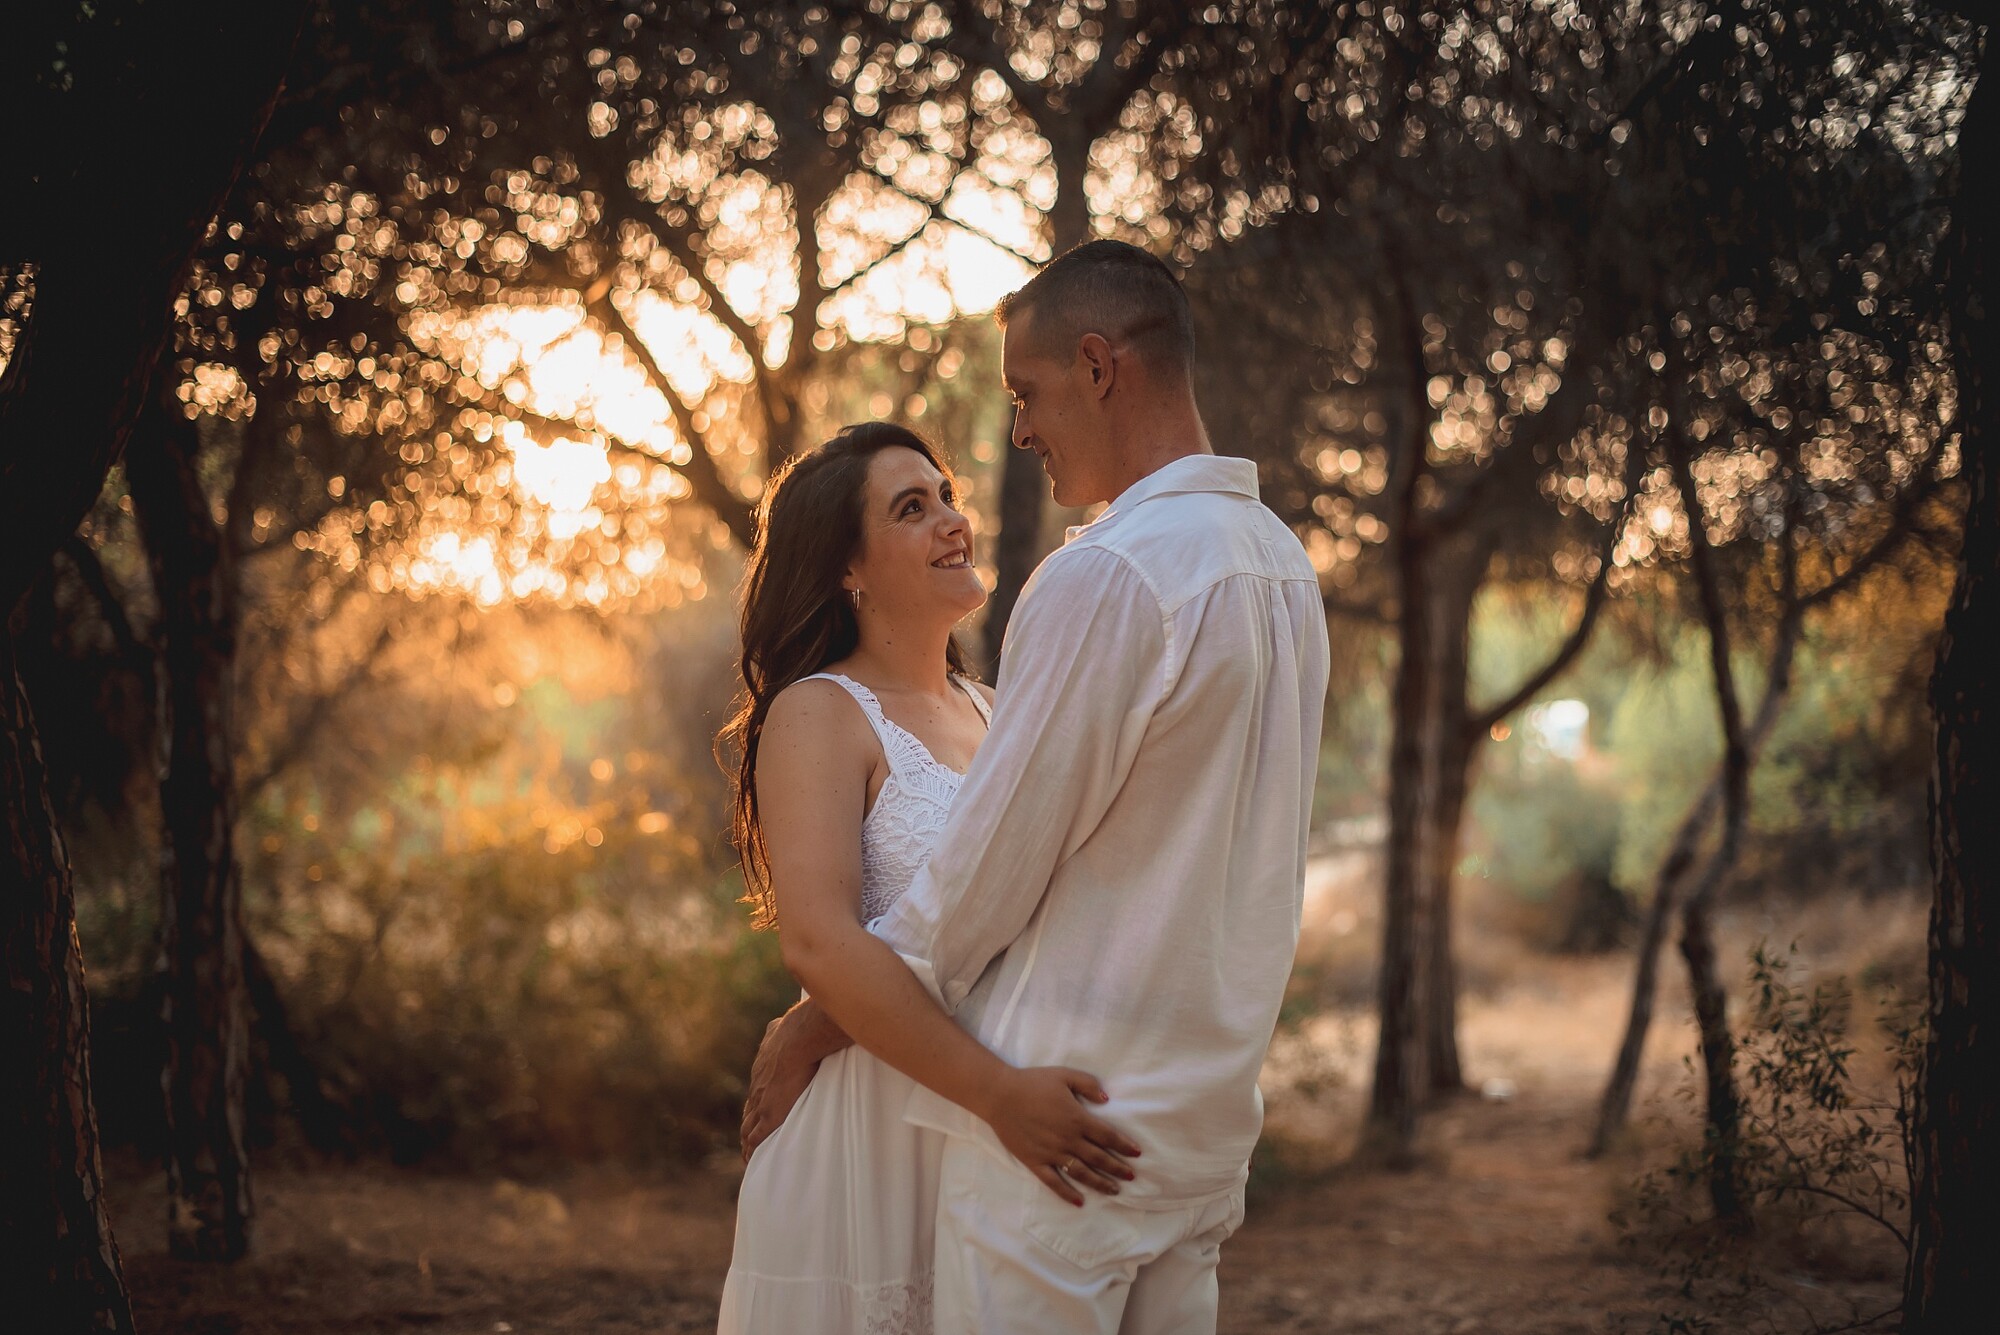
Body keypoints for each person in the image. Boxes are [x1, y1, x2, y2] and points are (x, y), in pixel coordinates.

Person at [745, 239, 1330, 1334]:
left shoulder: (1105, 572)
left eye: (1028, 394)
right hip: (1185, 1126)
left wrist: (815, 1023)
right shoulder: (1279, 565)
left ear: (1099, 368)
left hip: (1058, 1126)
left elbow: (987, 872)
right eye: (908, 508)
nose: (1019, 431)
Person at [717, 421, 1138, 1335]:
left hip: (996, 1143)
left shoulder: (999, 709)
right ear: (847, 569)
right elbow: (820, 940)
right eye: (913, 508)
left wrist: (807, 1030)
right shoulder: (819, 713)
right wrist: (995, 1093)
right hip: (870, 1146)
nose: (954, 520)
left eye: (947, 495)